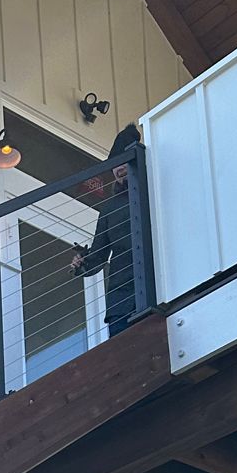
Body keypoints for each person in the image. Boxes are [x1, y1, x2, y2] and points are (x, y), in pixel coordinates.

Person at [72, 123, 140, 334]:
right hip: (120, 300)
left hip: (157, 288)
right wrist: (83, 263)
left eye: (123, 163)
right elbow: (99, 256)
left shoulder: (154, 190)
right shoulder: (109, 208)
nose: (118, 171)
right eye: (115, 166)